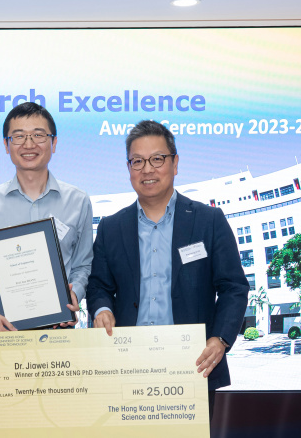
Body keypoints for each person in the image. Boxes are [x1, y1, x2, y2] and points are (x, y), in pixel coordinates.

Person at [86, 119, 249, 419]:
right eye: (137, 161)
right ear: (129, 168)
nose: (147, 169)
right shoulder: (111, 227)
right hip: (126, 367)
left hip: (193, 367)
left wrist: (221, 338)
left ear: (175, 164)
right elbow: (98, 286)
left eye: (157, 159)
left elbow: (233, 288)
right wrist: (101, 310)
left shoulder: (209, 221)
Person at [0, 102, 93, 332]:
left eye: (39, 135)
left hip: (59, 332)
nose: (29, 144)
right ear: (6, 144)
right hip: (2, 333)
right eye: (18, 136)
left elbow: (83, 265)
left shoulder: (78, 201)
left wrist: (75, 292)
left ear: (54, 142)